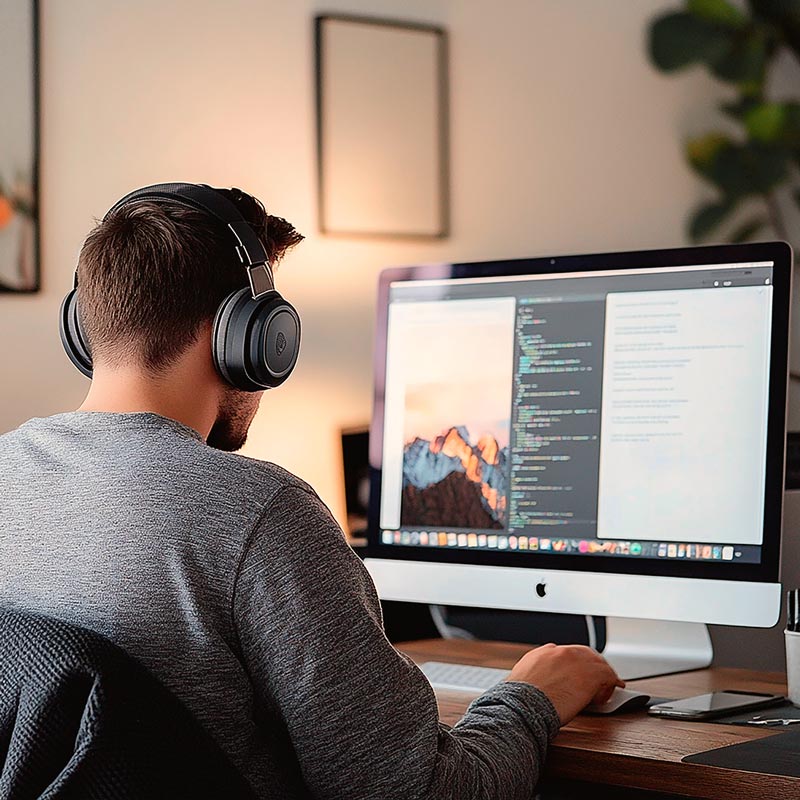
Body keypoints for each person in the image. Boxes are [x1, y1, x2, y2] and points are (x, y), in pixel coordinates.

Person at [0, 185, 622, 799]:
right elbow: (417, 793)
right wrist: (532, 697)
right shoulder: (260, 514)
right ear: (249, 337)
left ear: (85, 328)